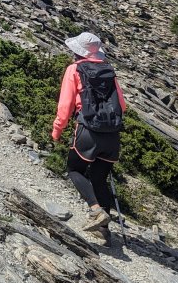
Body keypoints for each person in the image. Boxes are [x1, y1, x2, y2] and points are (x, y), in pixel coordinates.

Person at [51, 32, 127, 231]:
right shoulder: (108, 70)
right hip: (112, 134)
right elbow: (122, 105)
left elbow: (65, 105)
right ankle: (104, 232)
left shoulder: (74, 69)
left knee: (74, 170)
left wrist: (57, 131)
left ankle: (96, 210)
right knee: (99, 179)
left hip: (87, 131)